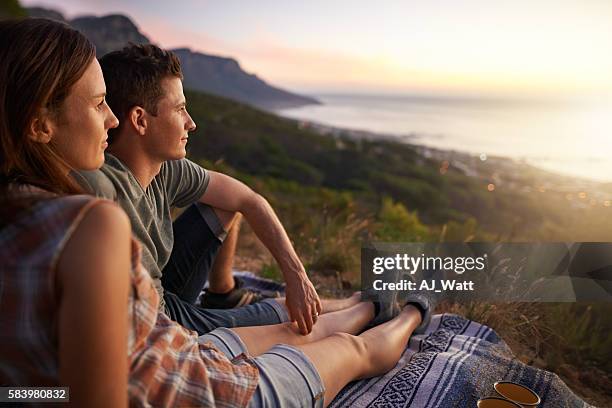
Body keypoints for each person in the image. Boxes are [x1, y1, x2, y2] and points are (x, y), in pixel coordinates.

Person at [0, 18, 432, 407]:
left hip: (179, 354)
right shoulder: (89, 218)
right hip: (209, 388)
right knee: (348, 350)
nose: (110, 121)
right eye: (98, 105)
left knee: (309, 333)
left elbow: (49, 386)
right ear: (40, 124)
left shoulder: (20, 207)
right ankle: (415, 310)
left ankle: (373, 306)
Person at [77, 43, 322, 335]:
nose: (191, 124)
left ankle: (222, 293)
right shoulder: (104, 192)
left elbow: (247, 199)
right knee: (288, 318)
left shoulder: (164, 167)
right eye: (180, 109)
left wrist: (297, 276)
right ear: (140, 120)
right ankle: (366, 304)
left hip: (163, 289)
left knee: (224, 203)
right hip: (156, 318)